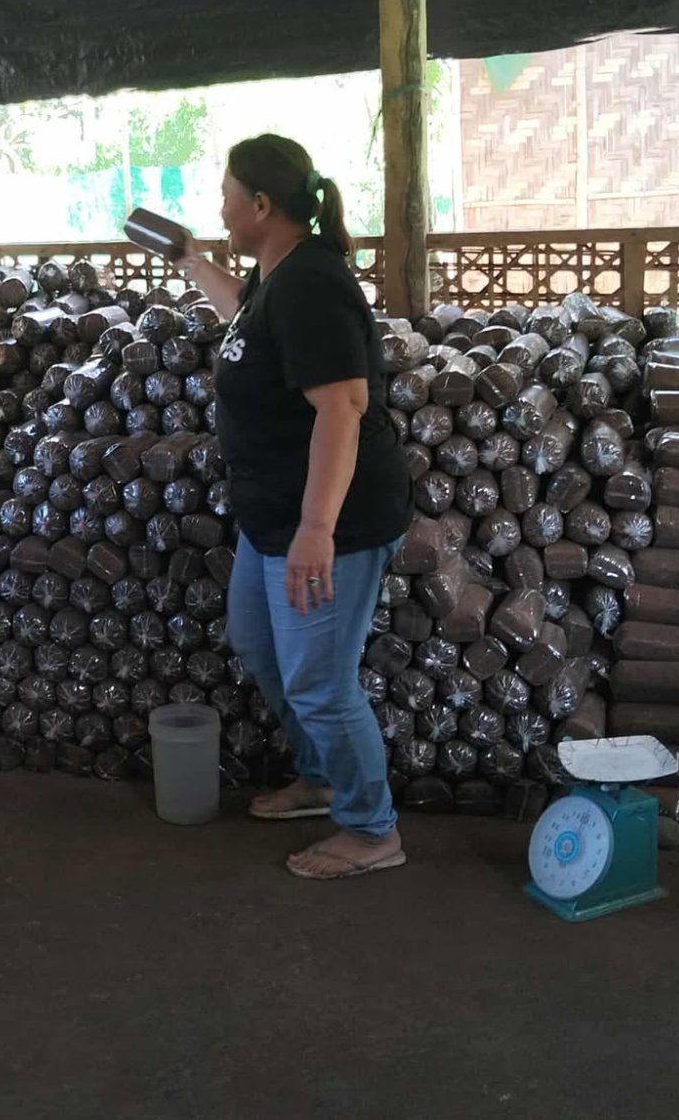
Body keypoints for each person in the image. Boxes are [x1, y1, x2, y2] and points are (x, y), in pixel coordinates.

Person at [173, 134, 413, 879]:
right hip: (271, 517)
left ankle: (373, 829)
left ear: (261, 204)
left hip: (327, 522)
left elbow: (343, 405)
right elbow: (241, 316)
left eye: (226, 194)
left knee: (318, 679)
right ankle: (321, 777)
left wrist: (317, 528)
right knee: (259, 642)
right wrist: (185, 256)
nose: (220, 206)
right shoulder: (273, 279)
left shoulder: (312, 282)